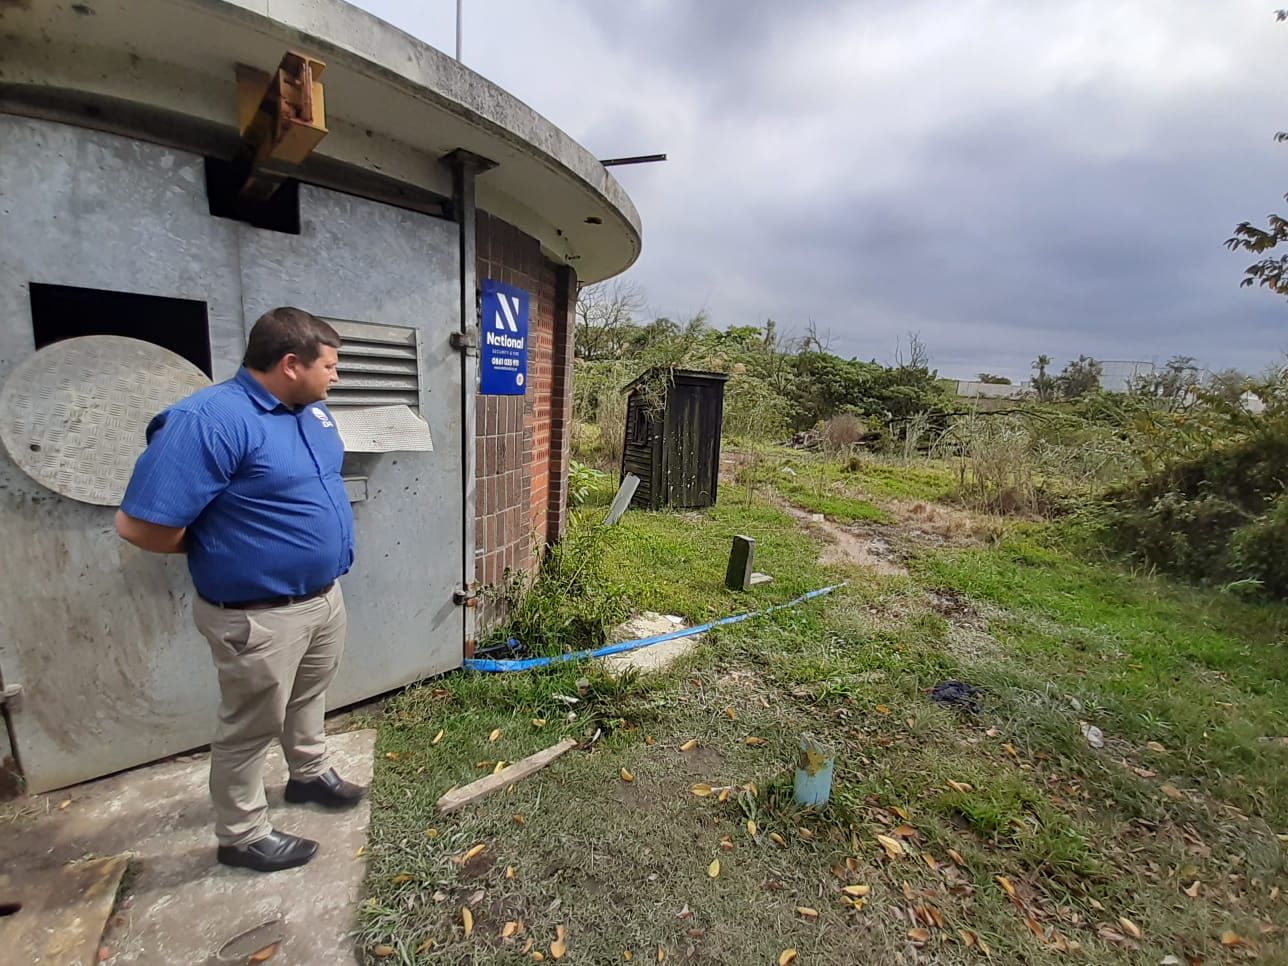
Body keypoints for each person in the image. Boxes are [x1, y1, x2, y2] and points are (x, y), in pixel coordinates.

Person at [115, 306, 365, 874]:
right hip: (257, 615)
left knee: (307, 698)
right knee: (249, 726)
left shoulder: (311, 412)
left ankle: (306, 774)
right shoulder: (208, 421)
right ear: (290, 364)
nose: (337, 376)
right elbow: (139, 525)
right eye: (330, 366)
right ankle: (242, 833)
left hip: (322, 599)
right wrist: (221, 550)